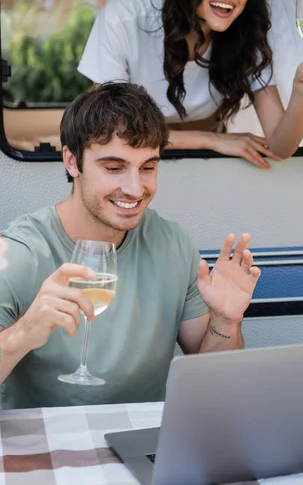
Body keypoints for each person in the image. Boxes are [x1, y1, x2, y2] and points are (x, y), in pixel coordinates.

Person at [0, 82, 260, 409]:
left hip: (145, 444)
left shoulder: (173, 245)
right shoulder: (19, 252)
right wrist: (23, 333)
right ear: (71, 161)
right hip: (47, 446)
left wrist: (225, 320)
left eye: (148, 167)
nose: (135, 189)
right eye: (114, 168)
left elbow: (216, 384)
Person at [78, 0, 303, 170]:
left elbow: (281, 146)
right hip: (127, 164)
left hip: (198, 164)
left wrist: (301, 92)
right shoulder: (125, 16)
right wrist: (211, 140)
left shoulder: (245, 38)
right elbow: (109, 128)